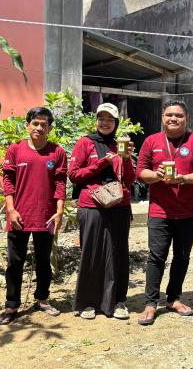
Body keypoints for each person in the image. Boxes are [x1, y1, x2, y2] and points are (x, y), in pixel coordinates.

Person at [136, 100, 193, 325]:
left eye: (178, 115)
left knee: (182, 257)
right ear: (162, 118)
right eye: (169, 114)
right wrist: (156, 175)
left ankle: (173, 298)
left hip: (188, 212)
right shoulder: (151, 141)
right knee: (156, 257)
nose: (173, 118)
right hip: (160, 212)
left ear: (186, 118)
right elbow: (140, 172)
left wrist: (184, 178)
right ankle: (151, 303)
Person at [0, 107, 67, 325]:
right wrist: (11, 210)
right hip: (19, 217)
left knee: (44, 261)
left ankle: (42, 299)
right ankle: (11, 305)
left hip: (46, 216)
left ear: (50, 128)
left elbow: (60, 183)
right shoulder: (15, 150)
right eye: (35, 123)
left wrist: (59, 211)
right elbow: (8, 181)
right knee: (15, 262)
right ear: (27, 126)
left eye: (44, 124)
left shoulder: (57, 152)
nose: (39, 127)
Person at [69, 103, 136, 320]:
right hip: (92, 205)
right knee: (91, 253)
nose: (105, 123)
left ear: (116, 123)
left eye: (110, 119)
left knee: (117, 253)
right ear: (96, 120)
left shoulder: (120, 144)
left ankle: (116, 301)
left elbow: (129, 180)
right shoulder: (85, 143)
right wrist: (101, 164)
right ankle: (88, 302)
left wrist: (126, 159)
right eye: (101, 118)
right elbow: (74, 175)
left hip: (119, 206)